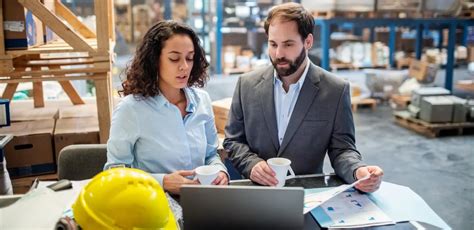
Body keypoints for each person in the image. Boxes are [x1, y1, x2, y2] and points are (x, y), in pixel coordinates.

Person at [223, 3, 383, 193]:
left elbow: (342, 149)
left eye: (288, 44)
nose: (278, 54)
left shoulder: (335, 91)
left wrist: (358, 171)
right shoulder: (246, 85)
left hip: (307, 195)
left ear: (308, 41)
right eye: (273, 44)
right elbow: (233, 141)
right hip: (256, 193)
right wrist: (251, 165)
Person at [105, 21, 228, 194]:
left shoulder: (202, 100)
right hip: (154, 203)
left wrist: (220, 171)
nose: (184, 66)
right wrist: (162, 181)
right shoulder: (131, 109)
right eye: (174, 58)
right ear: (154, 60)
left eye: (190, 57)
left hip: (201, 201)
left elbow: (210, 155)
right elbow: (114, 173)